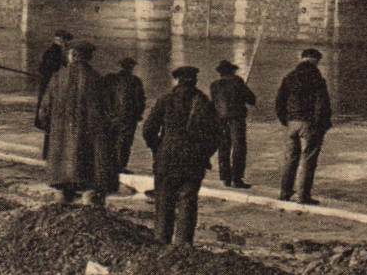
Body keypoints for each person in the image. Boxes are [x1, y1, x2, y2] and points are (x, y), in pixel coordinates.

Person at [143, 65, 222, 246]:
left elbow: (148, 129)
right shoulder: (204, 102)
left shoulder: (165, 100)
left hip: (167, 157)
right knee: (188, 201)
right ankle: (184, 244)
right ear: (194, 81)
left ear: (178, 81)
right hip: (193, 159)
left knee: (164, 200)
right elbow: (216, 135)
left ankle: (161, 241)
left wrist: (158, 148)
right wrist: (204, 154)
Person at [36, 39, 115, 206]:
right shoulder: (97, 79)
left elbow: (43, 113)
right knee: (90, 188)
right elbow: (109, 114)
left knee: (62, 192)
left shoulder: (57, 78)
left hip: (61, 150)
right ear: (89, 57)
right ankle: (90, 205)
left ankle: (61, 205)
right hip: (89, 148)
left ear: (72, 55)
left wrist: (54, 130)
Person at [276, 48, 332, 205]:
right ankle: (303, 196)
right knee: (308, 159)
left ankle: (285, 193)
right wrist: (322, 124)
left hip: (291, 123)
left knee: (290, 159)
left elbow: (279, 102)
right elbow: (322, 104)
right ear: (315, 61)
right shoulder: (317, 78)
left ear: (301, 59)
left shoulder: (289, 77)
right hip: (309, 124)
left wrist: (286, 121)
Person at [210, 59, 257, 188]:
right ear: (232, 71)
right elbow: (251, 99)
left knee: (223, 148)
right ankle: (237, 178)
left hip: (220, 120)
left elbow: (213, 105)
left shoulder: (214, 85)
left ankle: (225, 178)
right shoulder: (237, 81)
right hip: (236, 119)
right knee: (239, 148)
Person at [102, 56, 146, 175]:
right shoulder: (135, 81)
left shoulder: (110, 79)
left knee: (110, 141)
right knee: (125, 143)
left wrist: (106, 113)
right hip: (128, 118)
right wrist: (138, 115)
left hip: (111, 117)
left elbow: (103, 97)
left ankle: (108, 166)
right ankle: (121, 167)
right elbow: (140, 101)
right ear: (132, 68)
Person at [34, 29, 73, 156]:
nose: (67, 45)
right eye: (66, 42)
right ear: (61, 40)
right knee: (52, 123)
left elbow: (42, 70)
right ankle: (49, 154)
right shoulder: (56, 54)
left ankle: (48, 154)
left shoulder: (51, 52)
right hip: (52, 92)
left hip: (47, 90)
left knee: (50, 124)